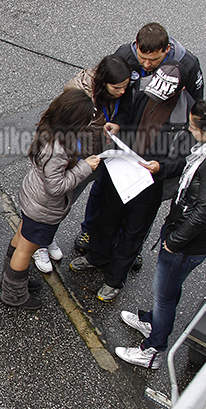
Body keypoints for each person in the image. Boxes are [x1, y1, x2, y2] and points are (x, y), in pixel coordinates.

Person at [70, 23, 204, 301]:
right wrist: (117, 126)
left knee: (134, 229)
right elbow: (125, 112)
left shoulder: (188, 117)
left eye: (152, 62)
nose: (145, 67)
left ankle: (114, 280)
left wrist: (161, 167)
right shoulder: (143, 92)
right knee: (107, 215)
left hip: (150, 177)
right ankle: (96, 256)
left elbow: (185, 156)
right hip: (123, 163)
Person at [115, 97, 206, 369]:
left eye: (193, 127)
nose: (189, 130)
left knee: (165, 295)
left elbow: (204, 212)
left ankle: (153, 350)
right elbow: (187, 168)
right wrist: (160, 167)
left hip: (185, 245)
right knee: (169, 291)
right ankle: (153, 323)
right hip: (185, 240)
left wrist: (174, 242)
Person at [1, 89, 101, 310]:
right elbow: (55, 187)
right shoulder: (59, 148)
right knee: (26, 250)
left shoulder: (49, 128)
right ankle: (13, 294)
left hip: (32, 198)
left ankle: (13, 277)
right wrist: (85, 168)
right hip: (44, 208)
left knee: (21, 240)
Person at [62, 54, 133, 268]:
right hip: (79, 159)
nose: (122, 92)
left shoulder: (115, 91)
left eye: (125, 87)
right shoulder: (78, 93)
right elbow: (63, 131)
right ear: (103, 83)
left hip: (101, 155)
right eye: (117, 88)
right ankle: (41, 244)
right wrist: (79, 159)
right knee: (62, 201)